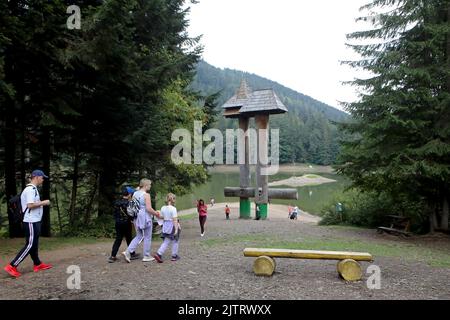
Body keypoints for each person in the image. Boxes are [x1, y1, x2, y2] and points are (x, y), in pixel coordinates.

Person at [4, 170, 52, 278]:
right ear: (36, 177)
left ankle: (38, 264)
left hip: (34, 220)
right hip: (30, 221)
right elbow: (30, 205)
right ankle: (12, 265)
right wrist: (44, 202)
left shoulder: (33, 189)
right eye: (42, 177)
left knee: (34, 244)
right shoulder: (30, 189)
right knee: (30, 245)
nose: (43, 179)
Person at [122, 179, 161, 263]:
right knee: (147, 236)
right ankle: (146, 255)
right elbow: (148, 208)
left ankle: (128, 252)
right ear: (146, 185)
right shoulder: (146, 195)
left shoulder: (135, 194)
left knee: (139, 236)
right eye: (150, 185)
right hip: (145, 217)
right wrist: (156, 213)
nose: (150, 186)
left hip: (137, 217)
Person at [108, 187, 140, 263]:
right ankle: (132, 254)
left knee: (118, 239)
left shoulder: (116, 202)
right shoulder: (129, 203)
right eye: (131, 194)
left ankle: (112, 256)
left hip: (118, 223)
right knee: (129, 238)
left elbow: (114, 214)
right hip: (127, 223)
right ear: (129, 195)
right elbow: (132, 213)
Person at [153, 193, 181, 263]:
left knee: (166, 241)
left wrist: (158, 214)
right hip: (172, 226)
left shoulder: (163, 208)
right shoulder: (173, 209)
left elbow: (161, 217)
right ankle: (173, 255)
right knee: (175, 240)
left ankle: (160, 254)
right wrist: (176, 229)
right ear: (173, 200)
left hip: (165, 225)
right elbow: (175, 220)